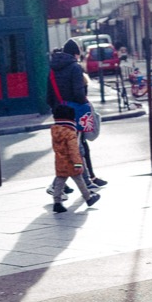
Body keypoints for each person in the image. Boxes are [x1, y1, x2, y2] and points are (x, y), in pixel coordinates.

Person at [46, 39, 107, 188]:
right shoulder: (75, 68)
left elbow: (48, 96)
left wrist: (57, 108)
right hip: (74, 114)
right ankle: (79, 183)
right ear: (75, 53)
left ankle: (75, 181)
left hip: (59, 113)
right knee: (78, 147)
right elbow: (78, 93)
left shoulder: (53, 69)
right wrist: (84, 105)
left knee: (66, 149)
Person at [49, 104, 100, 214]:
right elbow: (73, 150)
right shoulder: (70, 133)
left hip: (59, 161)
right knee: (80, 181)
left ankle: (57, 202)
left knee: (59, 182)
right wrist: (78, 163)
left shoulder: (55, 131)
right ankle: (88, 198)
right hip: (71, 162)